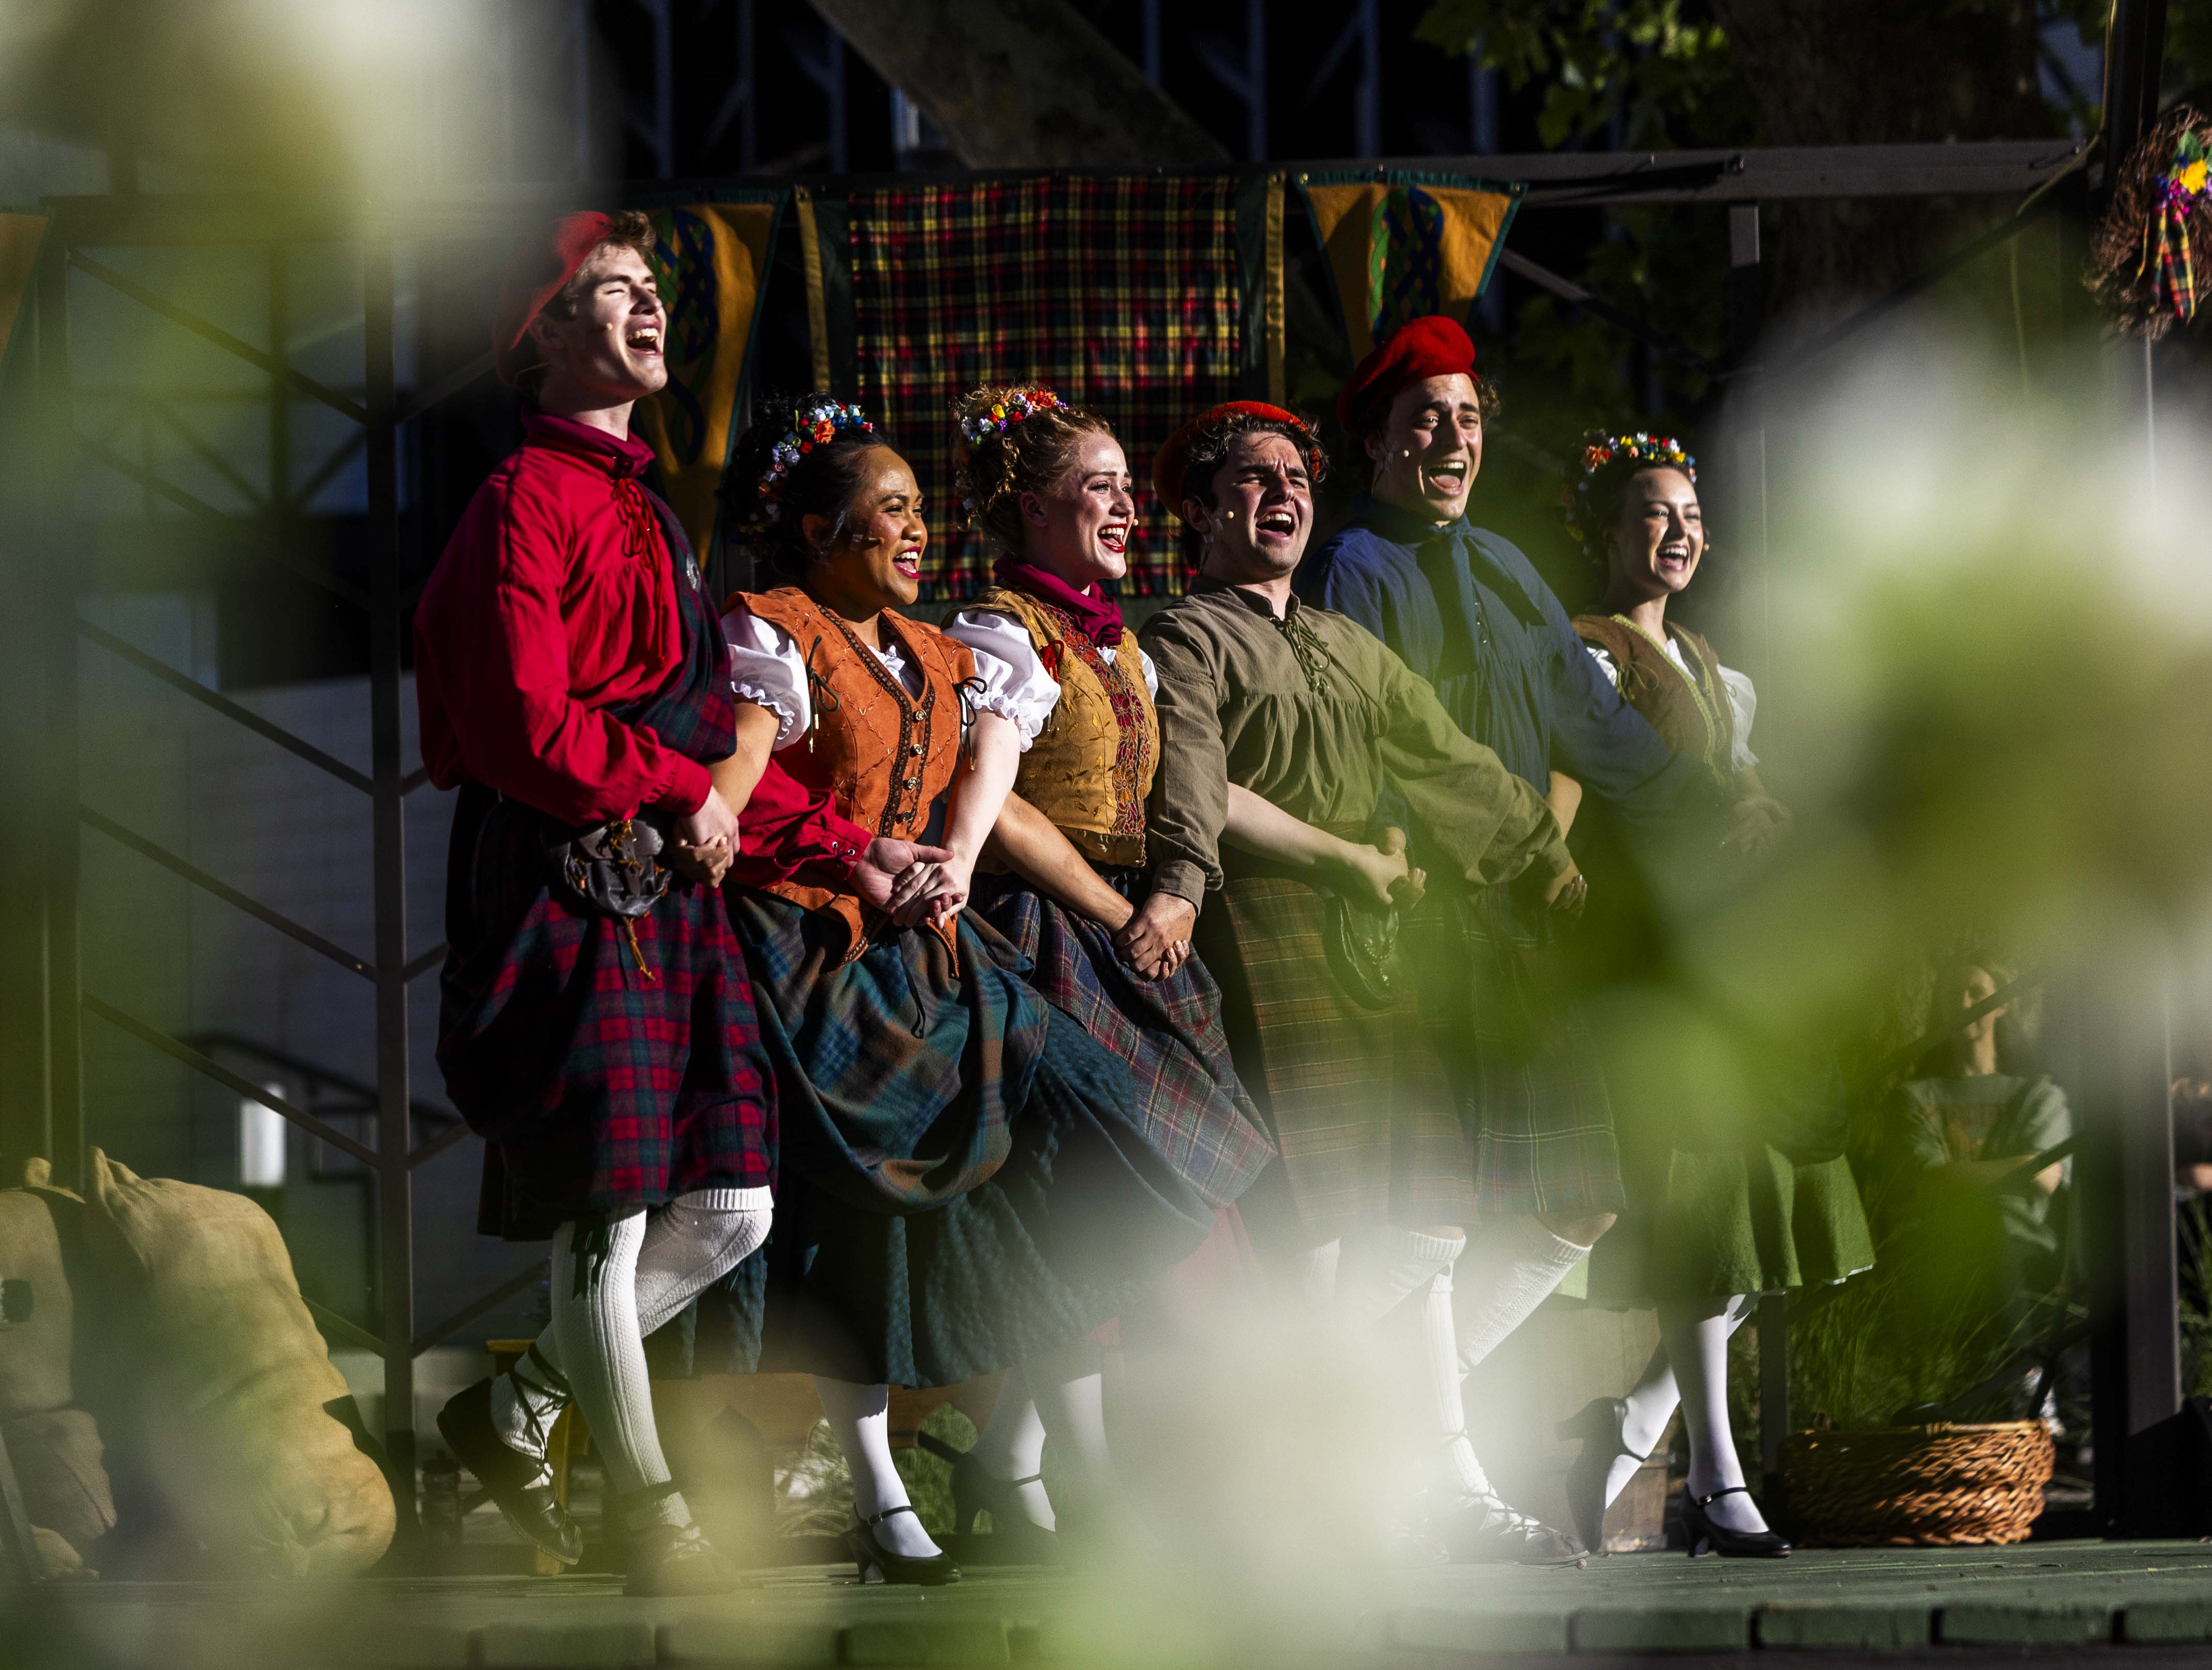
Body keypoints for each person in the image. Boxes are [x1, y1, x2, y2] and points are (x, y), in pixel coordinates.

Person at [706, 392, 1217, 1584]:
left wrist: (948, 861)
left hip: (930, 953)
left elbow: (975, 782)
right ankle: (883, 1480)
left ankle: (1017, 1451)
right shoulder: (774, 632)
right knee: (869, 1208)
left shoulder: (939, 651)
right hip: (815, 950)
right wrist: (854, 854)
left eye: (920, 508)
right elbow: (747, 779)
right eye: (889, 510)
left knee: (1096, 1143)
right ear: (824, 532)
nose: (915, 528)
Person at [416, 211, 811, 1596]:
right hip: (559, 868)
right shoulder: (523, 500)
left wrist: (839, 843)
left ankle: (516, 1412)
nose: (651, 312)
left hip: (658, 873)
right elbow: (527, 724)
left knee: (733, 1204)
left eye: (653, 292)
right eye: (614, 293)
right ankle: (647, 1516)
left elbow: (706, 745)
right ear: (542, 335)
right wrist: (673, 785)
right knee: (614, 1198)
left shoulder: (646, 506)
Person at [1139, 399, 1589, 1564]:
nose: (1283, 492)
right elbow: (1191, 765)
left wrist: (1541, 855)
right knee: (1337, 1222)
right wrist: (1182, 881)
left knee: (1432, 1216)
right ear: (1199, 510)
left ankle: (1408, 1475)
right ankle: (1336, 1477)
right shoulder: (1189, 633)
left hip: (1376, 936)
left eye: (1296, 474)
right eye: (1250, 478)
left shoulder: (1343, 643)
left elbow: (1444, 753)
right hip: (1270, 926)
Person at [1295, 321, 1755, 1459]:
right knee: (1433, 1213)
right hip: (1420, 925)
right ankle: (1366, 1432)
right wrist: (1515, 851)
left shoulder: (1502, 566)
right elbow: (1387, 745)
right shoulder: (1350, 565)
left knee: (1578, 1196)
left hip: (1524, 929)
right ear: (1377, 441)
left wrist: (1716, 806)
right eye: (1425, 419)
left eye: (1467, 416)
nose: (1452, 438)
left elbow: (1591, 722)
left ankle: (1407, 1404)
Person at [935, 384, 1277, 1550]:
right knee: (1099, 1200)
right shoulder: (995, 630)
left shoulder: (1122, 641)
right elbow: (998, 811)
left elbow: (1194, 787)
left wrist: (1167, 902)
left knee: (1173, 1199)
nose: (1129, 505)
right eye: (1101, 486)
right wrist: (1118, 908)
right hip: (1046, 931)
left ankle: (1009, 1463)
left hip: (1134, 930)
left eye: (1132, 486)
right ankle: (1095, 1491)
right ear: (1033, 507)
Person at [1551, 432, 1871, 1559]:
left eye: (1690, 513)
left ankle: (1632, 1428)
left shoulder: (1712, 664)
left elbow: (1748, 785)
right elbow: (1589, 805)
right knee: (1708, 1214)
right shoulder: (1586, 655)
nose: (1678, 530)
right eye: (1652, 512)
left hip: (1741, 955)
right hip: (1658, 954)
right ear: (1605, 531)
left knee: (1771, 1207)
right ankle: (1717, 1479)